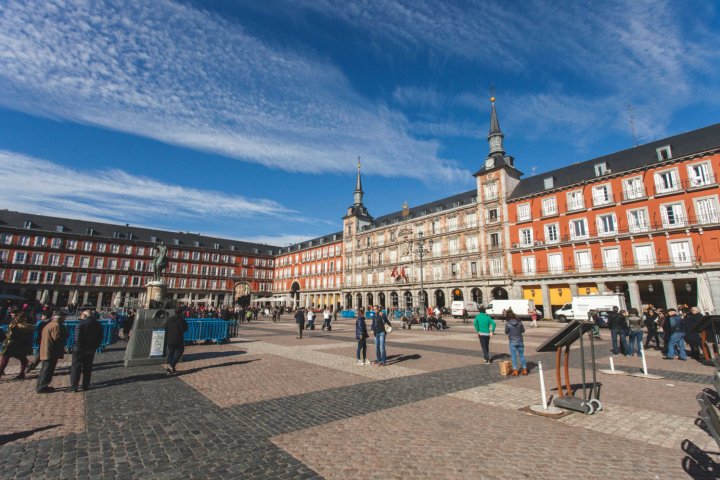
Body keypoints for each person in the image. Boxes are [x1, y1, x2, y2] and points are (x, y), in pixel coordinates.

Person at [70, 309, 104, 391]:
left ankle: (74, 387)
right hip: (90, 350)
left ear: (84, 315)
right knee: (88, 368)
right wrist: (94, 347)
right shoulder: (98, 324)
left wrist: (82, 348)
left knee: (76, 368)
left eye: (81, 315)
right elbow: (100, 338)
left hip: (79, 350)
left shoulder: (81, 324)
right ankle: (86, 385)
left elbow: (77, 339)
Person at [36, 311, 69, 393]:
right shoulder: (57, 326)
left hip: (46, 349)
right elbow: (57, 338)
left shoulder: (49, 324)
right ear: (61, 318)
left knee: (44, 369)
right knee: (48, 370)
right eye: (64, 317)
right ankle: (42, 387)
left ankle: (40, 385)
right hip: (51, 351)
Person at [0, 309, 35, 380]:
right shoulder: (28, 326)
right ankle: (22, 374)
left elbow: (9, 335)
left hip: (11, 344)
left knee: (4, 359)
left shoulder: (14, 326)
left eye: (14, 315)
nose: (12, 316)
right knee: (22, 359)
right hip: (22, 345)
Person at [165, 308, 188, 374]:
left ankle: (169, 370)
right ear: (181, 313)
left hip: (169, 339)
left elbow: (166, 327)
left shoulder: (169, 319)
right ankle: (171, 365)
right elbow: (184, 329)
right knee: (180, 351)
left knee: (171, 353)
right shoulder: (181, 320)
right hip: (178, 339)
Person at [504, 310, 527, 375]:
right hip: (520, 341)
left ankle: (515, 370)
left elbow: (506, 332)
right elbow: (523, 331)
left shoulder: (508, 324)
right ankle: (525, 369)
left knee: (514, 356)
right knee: (521, 355)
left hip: (512, 341)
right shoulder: (520, 322)